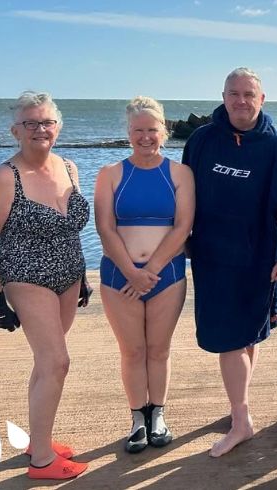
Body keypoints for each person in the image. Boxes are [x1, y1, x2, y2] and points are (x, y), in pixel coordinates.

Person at [182, 67, 277, 457]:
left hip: (257, 257)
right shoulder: (202, 140)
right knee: (231, 338)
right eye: (234, 94)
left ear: (262, 98)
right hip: (210, 257)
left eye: (248, 94)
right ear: (223, 96)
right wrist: (182, 238)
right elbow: (184, 195)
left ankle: (241, 418)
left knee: (245, 337)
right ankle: (241, 410)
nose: (241, 101)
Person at [0, 91, 91, 479]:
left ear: (57, 127)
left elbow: (69, 230)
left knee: (46, 364)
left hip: (69, 274)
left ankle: (37, 440)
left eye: (47, 122)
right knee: (58, 361)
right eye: (31, 123)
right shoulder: (5, 176)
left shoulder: (69, 167)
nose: (40, 129)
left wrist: (84, 278)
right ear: (16, 131)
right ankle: (42, 461)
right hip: (26, 275)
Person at [94, 96, 194, 453]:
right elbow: (105, 229)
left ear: (163, 130)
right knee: (133, 351)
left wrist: (149, 271)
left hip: (166, 274)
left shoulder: (180, 174)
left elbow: (183, 228)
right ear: (129, 132)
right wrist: (131, 273)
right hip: (118, 276)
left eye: (152, 129)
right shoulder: (109, 174)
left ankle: (159, 416)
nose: (146, 137)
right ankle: (138, 417)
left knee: (159, 350)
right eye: (138, 130)